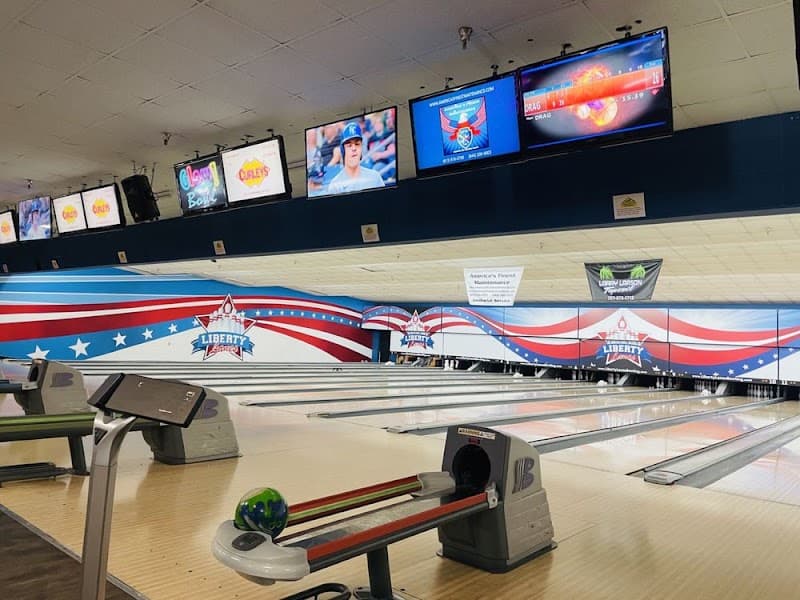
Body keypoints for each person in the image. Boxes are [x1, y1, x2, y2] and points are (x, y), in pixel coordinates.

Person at [327, 122, 386, 195]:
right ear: (343, 150)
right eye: (349, 145)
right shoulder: (335, 185)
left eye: (357, 144)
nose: (354, 148)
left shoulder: (375, 177)